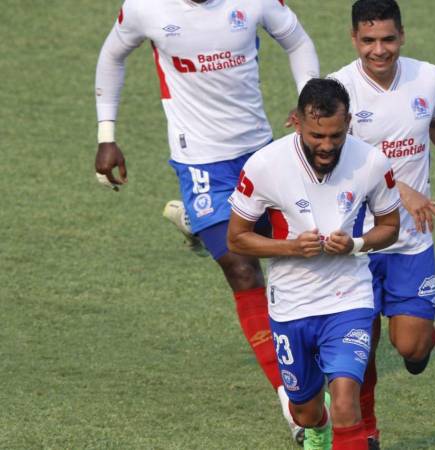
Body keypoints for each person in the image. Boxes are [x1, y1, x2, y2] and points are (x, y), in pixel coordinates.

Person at [93, 0, 319, 443]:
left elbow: (296, 38)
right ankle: (290, 400)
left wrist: (310, 104)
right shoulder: (145, 7)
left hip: (260, 153)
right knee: (241, 267)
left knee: (299, 259)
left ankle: (199, 223)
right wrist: (107, 135)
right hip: (200, 164)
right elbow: (112, 55)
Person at [327, 1, 435, 448]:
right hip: (359, 241)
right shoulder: (337, 89)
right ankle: (368, 431)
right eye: (369, 40)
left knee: (412, 347)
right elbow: (336, 160)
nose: (380, 50)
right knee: (361, 346)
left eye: (388, 39)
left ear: (402, 36)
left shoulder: (427, 77)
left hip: (411, 242)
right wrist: (400, 191)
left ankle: (419, 341)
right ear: (354, 38)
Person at [227, 78, 401, 450]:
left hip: (348, 300)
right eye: (316, 136)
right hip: (291, 305)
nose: (326, 146)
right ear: (296, 122)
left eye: (335, 136)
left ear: (348, 123)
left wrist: (356, 243)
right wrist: (291, 248)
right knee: (305, 410)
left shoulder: (372, 162)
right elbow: (237, 238)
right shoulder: (265, 166)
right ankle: (316, 429)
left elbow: (390, 228)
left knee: (345, 404)